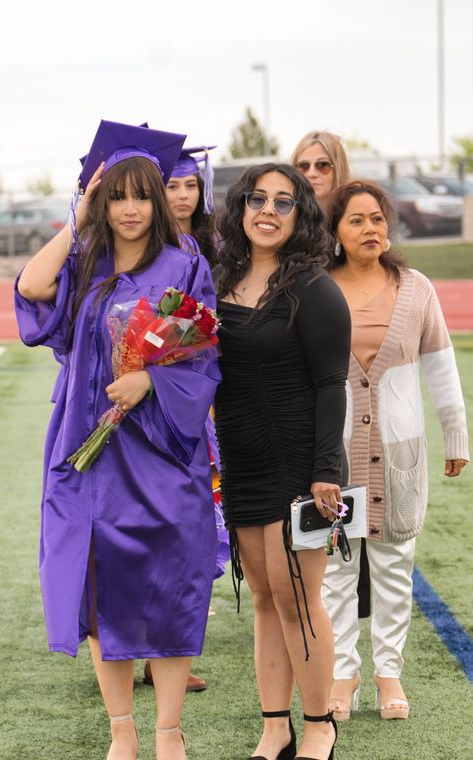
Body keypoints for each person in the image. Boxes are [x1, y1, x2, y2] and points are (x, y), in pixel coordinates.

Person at [14, 120, 221, 760]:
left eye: (141, 195)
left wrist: (149, 387)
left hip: (162, 448)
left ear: (159, 201)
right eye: (115, 196)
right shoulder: (83, 263)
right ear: (100, 202)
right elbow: (29, 289)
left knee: (175, 581)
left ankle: (168, 734)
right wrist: (76, 218)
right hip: (88, 447)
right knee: (98, 587)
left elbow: (205, 359)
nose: (129, 209)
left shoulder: (185, 264)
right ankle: (122, 733)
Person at [214, 163, 351, 760]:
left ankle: (320, 723)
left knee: (299, 595)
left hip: (300, 464)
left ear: (302, 216)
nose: (266, 210)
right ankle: (276, 726)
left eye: (283, 202)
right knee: (266, 598)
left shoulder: (313, 287)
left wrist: (327, 471)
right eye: (256, 198)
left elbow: (331, 383)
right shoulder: (219, 279)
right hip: (241, 461)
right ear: (240, 207)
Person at [323, 180, 469, 722]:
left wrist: (455, 432)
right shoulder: (316, 286)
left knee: (392, 564)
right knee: (336, 569)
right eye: (356, 220)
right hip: (330, 455)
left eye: (378, 218)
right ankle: (345, 673)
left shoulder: (416, 288)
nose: (370, 229)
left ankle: (388, 673)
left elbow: (441, 365)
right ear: (335, 232)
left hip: (399, 453)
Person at [142, 145, 228, 694]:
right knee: (140, 531)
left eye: (189, 186)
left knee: (181, 531)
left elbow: (205, 328)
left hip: (190, 401)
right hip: (138, 405)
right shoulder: (136, 249)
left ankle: (162, 654)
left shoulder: (203, 248)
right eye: (171, 185)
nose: (181, 195)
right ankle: (132, 653)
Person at [291, 132, 372, 620]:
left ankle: (353, 598)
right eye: (304, 165)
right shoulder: (283, 224)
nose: (313, 174)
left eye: (323, 165)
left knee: (350, 482)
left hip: (351, 378)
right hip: (293, 377)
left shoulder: (354, 225)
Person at [290, 131, 350, 210]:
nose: (311, 174)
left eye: (323, 165)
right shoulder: (283, 217)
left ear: (339, 169)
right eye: (304, 166)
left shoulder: (356, 214)